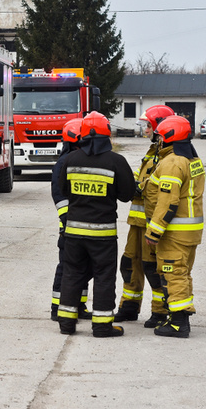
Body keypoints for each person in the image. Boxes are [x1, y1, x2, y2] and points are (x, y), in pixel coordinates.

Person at [56, 112, 135, 337]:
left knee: (72, 273)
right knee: (103, 276)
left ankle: (66, 323)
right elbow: (127, 194)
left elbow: (63, 190)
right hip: (103, 235)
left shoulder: (70, 160)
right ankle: (101, 326)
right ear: (106, 135)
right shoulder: (116, 162)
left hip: (73, 233)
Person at [144, 115, 205, 338]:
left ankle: (179, 324)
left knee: (173, 274)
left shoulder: (172, 162)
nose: (157, 140)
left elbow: (168, 201)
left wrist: (154, 231)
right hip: (190, 231)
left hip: (174, 232)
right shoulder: (191, 159)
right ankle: (177, 315)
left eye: (160, 136)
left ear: (169, 137)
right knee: (182, 273)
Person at [114, 105, 174, 328]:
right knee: (130, 263)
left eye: (148, 125)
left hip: (152, 223)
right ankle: (129, 306)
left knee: (153, 267)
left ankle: (160, 311)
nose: (145, 129)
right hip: (137, 222)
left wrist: (140, 187)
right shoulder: (153, 152)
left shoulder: (168, 155)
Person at [49, 118, 91, 321]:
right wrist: (67, 220)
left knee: (83, 267)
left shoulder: (78, 159)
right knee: (66, 268)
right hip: (69, 227)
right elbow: (59, 196)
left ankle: (79, 304)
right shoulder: (64, 163)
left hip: (82, 225)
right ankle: (57, 308)